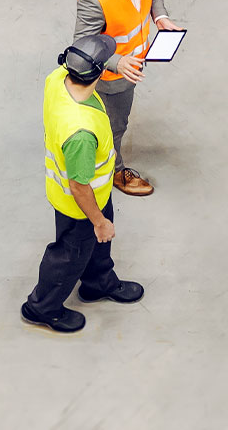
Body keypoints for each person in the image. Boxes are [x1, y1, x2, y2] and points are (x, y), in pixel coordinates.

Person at [22, 34, 146, 334]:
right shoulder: (80, 134)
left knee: (98, 246)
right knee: (68, 255)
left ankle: (97, 283)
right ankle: (42, 307)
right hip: (79, 206)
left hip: (98, 194)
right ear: (101, 73)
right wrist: (99, 221)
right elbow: (78, 185)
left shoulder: (57, 78)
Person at [75, 0, 182, 197]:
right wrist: (117, 63)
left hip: (132, 68)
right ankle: (114, 170)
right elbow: (82, 47)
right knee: (113, 126)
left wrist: (161, 16)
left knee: (115, 124)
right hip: (110, 78)